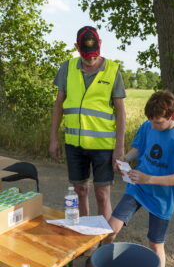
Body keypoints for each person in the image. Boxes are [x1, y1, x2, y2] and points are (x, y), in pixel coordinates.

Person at [104, 90, 174, 267]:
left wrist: (148, 178)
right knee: (110, 229)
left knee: (155, 244)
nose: (153, 126)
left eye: (158, 122)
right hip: (137, 189)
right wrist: (126, 158)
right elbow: (139, 148)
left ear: (173, 116)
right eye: (151, 121)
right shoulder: (147, 125)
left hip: (162, 198)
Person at [49, 25, 126, 221]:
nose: (91, 60)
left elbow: (121, 111)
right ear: (76, 47)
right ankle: (86, 238)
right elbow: (59, 104)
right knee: (79, 190)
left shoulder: (113, 70)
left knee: (102, 195)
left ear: (100, 44)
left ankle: (105, 244)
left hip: (103, 147)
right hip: (74, 145)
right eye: (86, 56)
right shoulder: (67, 68)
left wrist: (120, 147)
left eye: (94, 55)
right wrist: (53, 139)